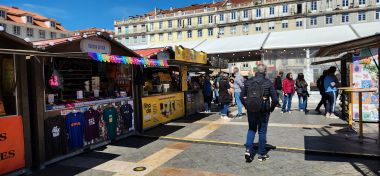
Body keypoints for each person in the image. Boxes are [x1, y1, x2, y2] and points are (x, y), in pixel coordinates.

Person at [241, 64, 278, 162]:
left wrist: (246, 106)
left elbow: (241, 97)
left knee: (251, 129)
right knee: (262, 131)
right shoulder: (268, 82)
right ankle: (261, 154)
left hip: (251, 110)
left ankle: (248, 149)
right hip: (264, 110)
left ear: (256, 71)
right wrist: (271, 109)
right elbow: (275, 99)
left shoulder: (248, 82)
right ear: (265, 71)